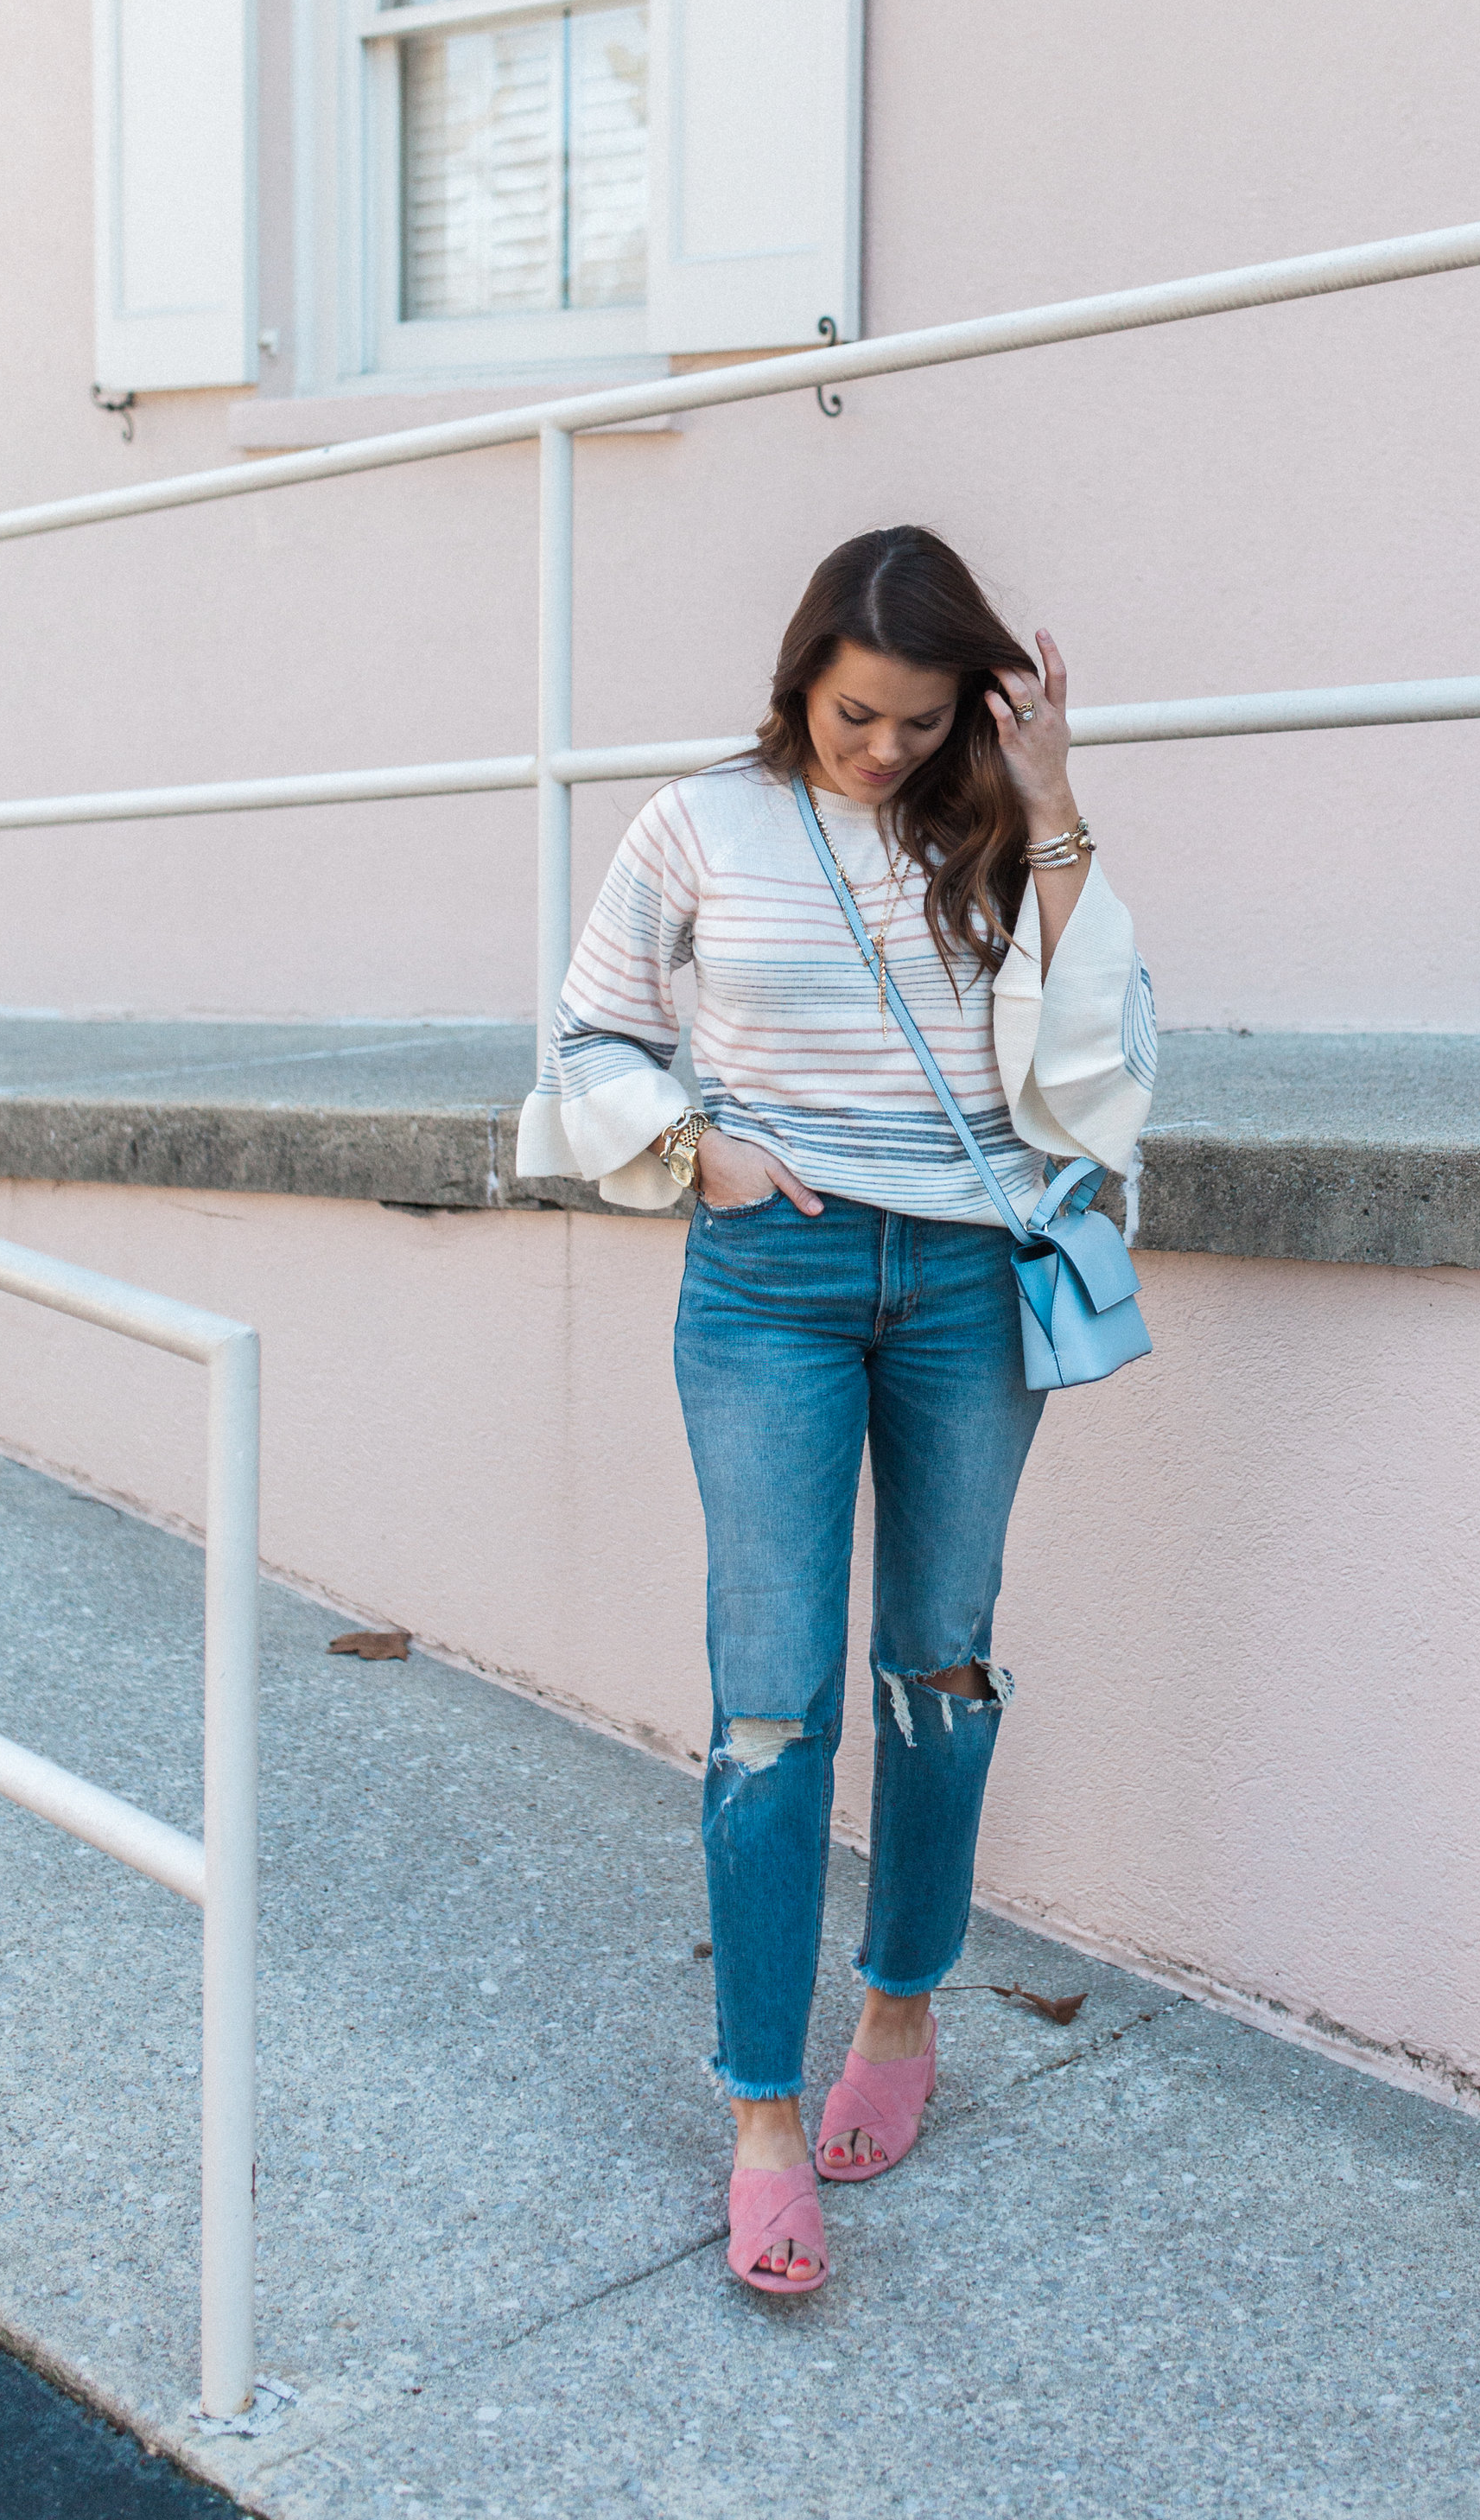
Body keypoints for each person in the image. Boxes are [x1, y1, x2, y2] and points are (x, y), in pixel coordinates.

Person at [517, 526, 1155, 2294]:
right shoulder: (698, 822)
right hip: (770, 1281)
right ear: (800, 673)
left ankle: (898, 2001)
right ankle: (759, 2113)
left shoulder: (995, 828)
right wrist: (690, 1142)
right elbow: (583, 1035)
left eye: (918, 717)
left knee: (939, 1654)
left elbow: (1102, 1057)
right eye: (855, 709)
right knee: (770, 1697)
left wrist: (1045, 801)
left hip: (966, 1287)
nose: (880, 746)